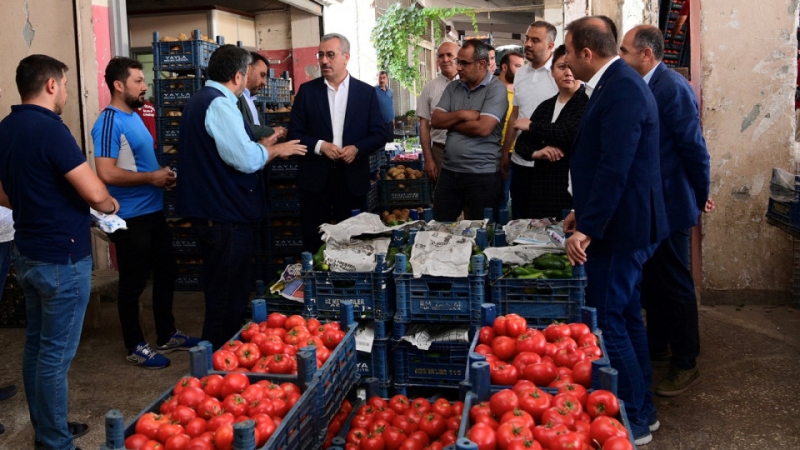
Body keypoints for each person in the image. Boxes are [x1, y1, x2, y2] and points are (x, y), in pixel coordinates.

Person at [0, 54, 120, 450]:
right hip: (61, 259)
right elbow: (94, 192)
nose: (67, 92)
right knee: (55, 356)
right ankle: (54, 440)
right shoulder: (51, 130)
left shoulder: (7, 127)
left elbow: (5, 191)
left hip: (28, 253)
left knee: (37, 346)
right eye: (66, 85)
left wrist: (38, 206)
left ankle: (47, 428)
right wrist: (109, 207)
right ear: (51, 84)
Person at [563, 17, 668, 446]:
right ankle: (643, 409)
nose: (566, 62)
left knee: (608, 321)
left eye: (568, 52)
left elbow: (615, 166)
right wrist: (580, 210)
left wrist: (588, 227)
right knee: (625, 316)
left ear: (587, 53)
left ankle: (635, 420)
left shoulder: (622, 88)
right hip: (621, 223)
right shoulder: (612, 83)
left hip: (621, 229)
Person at [176, 45, 306, 349]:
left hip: (212, 213)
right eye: (248, 73)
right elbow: (245, 159)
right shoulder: (220, 105)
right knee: (228, 296)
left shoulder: (199, 100)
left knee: (221, 290)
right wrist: (276, 149)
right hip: (224, 218)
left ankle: (218, 357)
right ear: (237, 75)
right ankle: (220, 362)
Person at [619, 24, 714, 397]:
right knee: (655, 279)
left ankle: (686, 362)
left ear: (646, 54)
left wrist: (700, 194)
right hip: (652, 203)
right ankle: (659, 344)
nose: (621, 58)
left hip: (673, 202)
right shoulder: (644, 85)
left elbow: (694, 147)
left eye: (625, 51)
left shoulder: (671, 88)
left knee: (674, 283)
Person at [92, 56, 201, 369]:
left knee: (167, 271)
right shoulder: (109, 120)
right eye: (138, 81)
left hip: (152, 210)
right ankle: (135, 345)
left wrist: (160, 174)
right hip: (129, 216)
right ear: (118, 85)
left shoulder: (135, 116)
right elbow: (107, 173)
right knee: (133, 282)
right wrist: (151, 178)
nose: (144, 86)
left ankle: (166, 333)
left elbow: (137, 162)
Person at [288, 33, 385, 252]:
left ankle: (349, 285)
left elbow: (379, 134)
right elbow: (294, 133)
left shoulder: (366, 93)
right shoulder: (307, 92)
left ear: (346, 57)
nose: (323, 61)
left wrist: (357, 148)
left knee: (352, 241)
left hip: (351, 179)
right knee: (314, 240)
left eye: (330, 55)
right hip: (314, 180)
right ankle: (316, 283)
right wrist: (320, 146)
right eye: (320, 55)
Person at [430, 39, 508, 221]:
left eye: (464, 63)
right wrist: (464, 114)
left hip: (482, 175)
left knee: (481, 232)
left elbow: (483, 127)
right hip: (449, 173)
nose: (458, 68)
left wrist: (450, 120)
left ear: (482, 64)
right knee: (440, 228)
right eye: (459, 62)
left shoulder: (496, 90)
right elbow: (436, 120)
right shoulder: (453, 88)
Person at [510, 45, 588, 219]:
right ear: (552, 72)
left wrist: (531, 126)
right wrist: (537, 153)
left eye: (571, 67)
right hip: (542, 188)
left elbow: (567, 132)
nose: (568, 72)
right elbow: (522, 144)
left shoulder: (587, 103)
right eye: (561, 67)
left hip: (571, 190)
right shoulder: (546, 106)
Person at [499, 21, 559, 219]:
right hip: (520, 160)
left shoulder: (560, 74)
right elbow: (515, 116)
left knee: (546, 222)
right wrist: (506, 153)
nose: (528, 44)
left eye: (535, 40)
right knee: (519, 217)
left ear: (550, 45)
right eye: (527, 39)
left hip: (548, 165)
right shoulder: (521, 73)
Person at [417, 41, 459, 185]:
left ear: (458, 58)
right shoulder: (429, 88)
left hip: (466, 152)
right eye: (441, 56)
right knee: (444, 200)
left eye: (449, 55)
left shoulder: (469, 84)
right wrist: (428, 159)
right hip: (440, 152)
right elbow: (424, 126)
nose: (445, 59)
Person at [495, 50, 525, 214]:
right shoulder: (492, 91)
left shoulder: (521, 91)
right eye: (517, 66)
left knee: (518, 198)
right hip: (497, 152)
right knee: (500, 198)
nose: (521, 71)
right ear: (505, 67)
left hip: (519, 153)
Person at [237, 52, 286, 143]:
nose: (264, 82)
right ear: (248, 69)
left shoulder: (250, 99)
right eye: (262, 75)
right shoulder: (236, 97)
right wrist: (273, 131)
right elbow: (241, 128)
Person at [375, 70, 395, 143]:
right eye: (380, 78)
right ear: (377, 79)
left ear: (387, 79)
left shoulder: (389, 91)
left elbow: (391, 105)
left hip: (390, 124)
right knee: (380, 146)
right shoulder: (373, 91)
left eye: (384, 78)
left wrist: (393, 120)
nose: (382, 80)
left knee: (390, 145)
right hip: (380, 125)